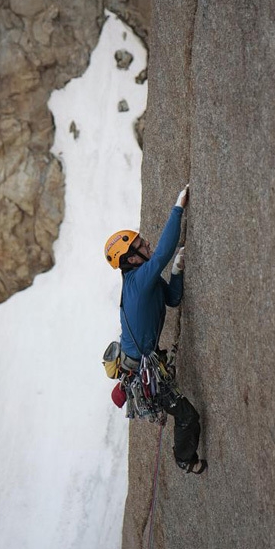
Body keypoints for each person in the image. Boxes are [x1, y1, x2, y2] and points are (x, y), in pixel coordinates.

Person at [104, 185, 207, 475]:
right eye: (140, 244)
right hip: (143, 372)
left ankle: (185, 457)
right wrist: (178, 208)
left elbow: (172, 299)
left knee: (184, 413)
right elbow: (162, 252)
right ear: (132, 259)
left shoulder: (142, 280)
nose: (146, 243)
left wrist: (176, 271)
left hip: (143, 365)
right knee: (187, 416)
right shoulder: (139, 281)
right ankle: (185, 460)